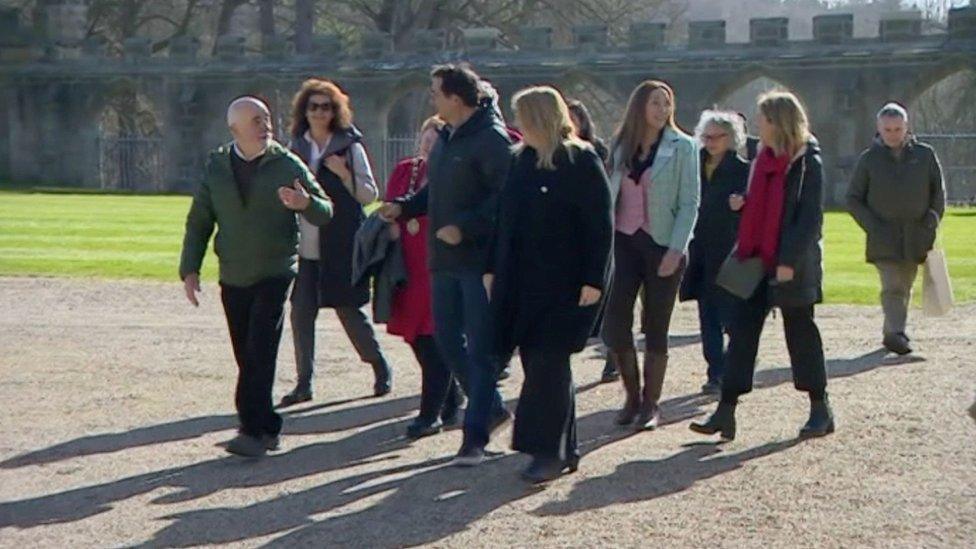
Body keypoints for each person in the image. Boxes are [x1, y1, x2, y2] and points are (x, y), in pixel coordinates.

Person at [179, 96, 333, 457]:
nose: (265, 125)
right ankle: (268, 426)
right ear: (235, 129)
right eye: (255, 120)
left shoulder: (286, 164)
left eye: (266, 118)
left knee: (260, 348)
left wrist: (304, 204)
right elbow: (200, 219)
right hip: (233, 273)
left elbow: (325, 209)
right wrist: (189, 267)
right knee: (246, 354)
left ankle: (250, 429)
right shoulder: (217, 166)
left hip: (275, 270)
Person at [380, 64, 513, 466]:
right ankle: (490, 408)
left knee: (479, 350)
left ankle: (474, 439)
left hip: (476, 260)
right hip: (443, 260)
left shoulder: (491, 139)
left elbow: (505, 200)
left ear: (456, 98)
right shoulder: (448, 137)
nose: (432, 99)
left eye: (437, 92)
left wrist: (465, 228)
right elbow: (434, 193)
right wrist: (403, 208)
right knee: (446, 341)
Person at [487, 86, 612, 483]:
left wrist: (594, 278)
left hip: (565, 280)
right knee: (540, 363)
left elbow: (599, 225)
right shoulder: (520, 161)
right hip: (523, 280)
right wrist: (493, 267)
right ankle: (564, 446)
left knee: (548, 364)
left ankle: (548, 450)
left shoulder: (580, 160)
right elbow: (504, 219)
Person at [691, 90, 833, 441]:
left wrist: (788, 261)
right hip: (756, 257)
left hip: (791, 262)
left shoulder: (806, 161)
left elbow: (808, 219)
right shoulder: (762, 159)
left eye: (763, 119)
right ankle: (726, 410)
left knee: (800, 334)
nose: (758, 125)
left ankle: (820, 406)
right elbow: (765, 206)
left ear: (778, 122)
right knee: (741, 333)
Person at [278, 79, 392, 407]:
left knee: (348, 309)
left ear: (335, 111)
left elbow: (369, 195)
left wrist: (343, 173)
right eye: (313, 107)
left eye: (326, 107)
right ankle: (304, 383)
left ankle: (378, 366)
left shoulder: (349, 146)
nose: (319, 113)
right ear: (304, 110)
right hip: (305, 243)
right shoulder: (295, 147)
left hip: (341, 241)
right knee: (301, 313)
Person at [603, 80, 700, 431]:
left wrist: (677, 249)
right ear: (639, 107)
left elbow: (690, 203)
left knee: (656, 325)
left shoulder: (684, 146)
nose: (662, 110)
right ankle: (631, 394)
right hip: (624, 242)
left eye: (666, 104)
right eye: (655, 103)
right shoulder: (620, 146)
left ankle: (651, 403)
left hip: (662, 243)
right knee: (615, 321)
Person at [384, 115, 463, 439]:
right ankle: (452, 398)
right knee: (416, 338)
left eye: (436, 142)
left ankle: (429, 414)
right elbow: (390, 206)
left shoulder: (450, 174)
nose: (429, 148)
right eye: (425, 141)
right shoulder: (405, 170)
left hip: (436, 266)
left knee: (435, 342)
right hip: (407, 268)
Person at [846, 102, 946, 356]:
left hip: (917, 233)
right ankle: (895, 334)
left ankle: (894, 330)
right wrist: (871, 225)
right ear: (879, 129)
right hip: (883, 235)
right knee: (892, 285)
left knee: (906, 283)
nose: (893, 134)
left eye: (897, 129)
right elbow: (853, 198)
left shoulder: (924, 155)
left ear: (906, 127)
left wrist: (932, 219)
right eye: (888, 129)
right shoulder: (868, 160)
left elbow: (938, 192)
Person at [679, 110, 749, 395]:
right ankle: (715, 373)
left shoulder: (742, 169)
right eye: (706, 137)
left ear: (731, 138)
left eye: (717, 137)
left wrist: (743, 203)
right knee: (707, 315)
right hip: (701, 250)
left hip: (730, 251)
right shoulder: (692, 166)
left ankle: (734, 367)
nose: (710, 142)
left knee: (732, 316)